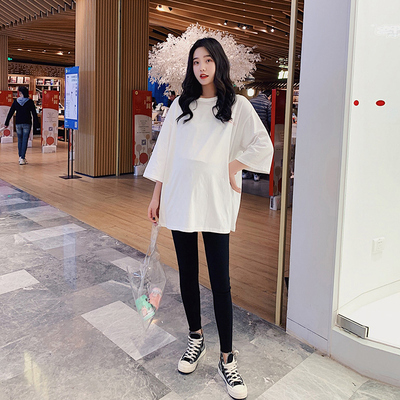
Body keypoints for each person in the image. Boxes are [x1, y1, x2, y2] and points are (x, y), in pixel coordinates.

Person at [144, 37, 273, 400]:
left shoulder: (237, 105)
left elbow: (262, 144)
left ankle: (227, 358)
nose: (201, 68)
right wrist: (156, 196)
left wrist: (233, 165)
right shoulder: (180, 105)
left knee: (220, 280)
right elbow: (165, 153)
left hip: (215, 198)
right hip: (180, 196)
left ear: (219, 63)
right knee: (187, 273)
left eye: (208, 60)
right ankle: (195, 338)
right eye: (196, 61)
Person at [3, 86, 39, 165]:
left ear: (20, 93)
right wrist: (37, 125)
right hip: (27, 123)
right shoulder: (30, 102)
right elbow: (34, 114)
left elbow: (11, 112)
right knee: (25, 140)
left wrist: (6, 123)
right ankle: (22, 157)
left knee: (20, 140)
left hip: (18, 123)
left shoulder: (16, 102)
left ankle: (20, 157)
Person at [243, 90, 272, 181]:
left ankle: (245, 172)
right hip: (262, 131)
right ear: (269, 96)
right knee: (258, 152)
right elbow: (270, 119)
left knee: (248, 150)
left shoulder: (250, 101)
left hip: (249, 130)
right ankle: (256, 174)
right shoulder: (268, 104)